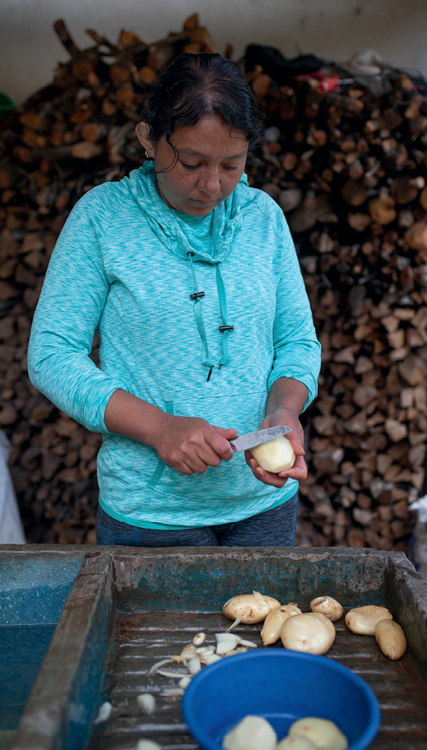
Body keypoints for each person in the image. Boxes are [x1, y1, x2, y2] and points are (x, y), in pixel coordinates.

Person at [27, 53, 320, 547]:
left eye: (232, 164)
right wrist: (159, 429)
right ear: (148, 138)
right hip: (150, 514)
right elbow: (51, 355)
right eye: (191, 163)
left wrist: (284, 409)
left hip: (264, 506)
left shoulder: (263, 218)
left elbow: (296, 340)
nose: (212, 184)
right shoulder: (103, 219)